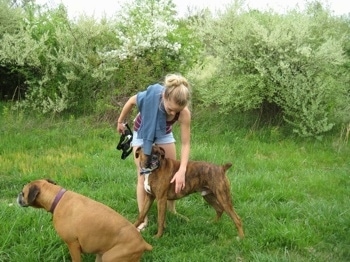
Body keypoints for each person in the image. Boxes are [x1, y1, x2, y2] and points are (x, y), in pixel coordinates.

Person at [117, 73, 191, 231]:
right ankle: (142, 218)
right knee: (143, 175)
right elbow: (131, 101)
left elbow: (185, 144)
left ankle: (172, 210)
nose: (172, 114)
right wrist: (120, 121)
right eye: (170, 109)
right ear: (164, 96)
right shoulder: (149, 97)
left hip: (164, 133)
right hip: (142, 132)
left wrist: (183, 170)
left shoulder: (183, 112)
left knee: (172, 171)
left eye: (176, 111)